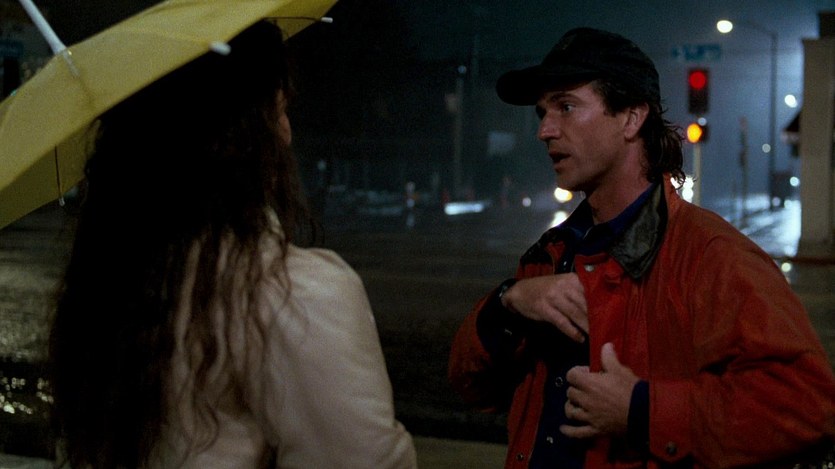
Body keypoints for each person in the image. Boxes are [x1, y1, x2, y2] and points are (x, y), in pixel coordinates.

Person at [448, 27, 835, 468]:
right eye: (542, 113)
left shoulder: (711, 255)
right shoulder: (552, 254)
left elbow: (808, 408)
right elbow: (471, 387)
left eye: (566, 107)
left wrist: (641, 409)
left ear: (632, 118)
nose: (545, 130)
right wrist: (507, 305)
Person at [48, 20, 416, 469]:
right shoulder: (292, 291)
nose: (287, 133)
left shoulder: (108, 275)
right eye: (279, 111)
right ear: (240, 138)